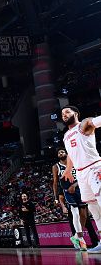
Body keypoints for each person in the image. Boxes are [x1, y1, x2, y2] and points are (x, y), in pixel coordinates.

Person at [61, 105, 101, 253]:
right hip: (80, 173)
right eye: (62, 113)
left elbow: (94, 121)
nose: (64, 115)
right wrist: (68, 169)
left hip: (94, 168)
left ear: (76, 113)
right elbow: (71, 153)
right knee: (93, 209)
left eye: (67, 112)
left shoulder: (83, 125)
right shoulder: (66, 135)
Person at [52, 147, 98, 250]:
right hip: (67, 191)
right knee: (75, 213)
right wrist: (55, 198)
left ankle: (76, 237)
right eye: (59, 153)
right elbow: (55, 182)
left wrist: (74, 185)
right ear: (57, 156)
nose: (60, 153)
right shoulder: (56, 166)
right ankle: (81, 240)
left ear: (66, 153)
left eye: (62, 151)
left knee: (84, 216)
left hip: (79, 190)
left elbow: (81, 177)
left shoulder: (74, 162)